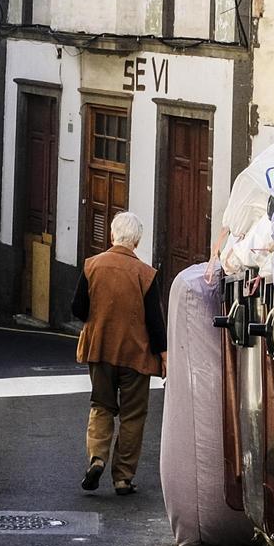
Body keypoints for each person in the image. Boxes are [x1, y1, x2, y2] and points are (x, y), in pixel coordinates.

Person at [71, 212, 167, 496]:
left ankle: (97, 457)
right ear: (136, 241)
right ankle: (123, 477)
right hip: (136, 355)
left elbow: (77, 308)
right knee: (132, 415)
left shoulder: (92, 266)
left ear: (112, 235)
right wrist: (164, 356)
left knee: (101, 405)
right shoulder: (146, 274)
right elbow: (155, 320)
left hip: (100, 349)